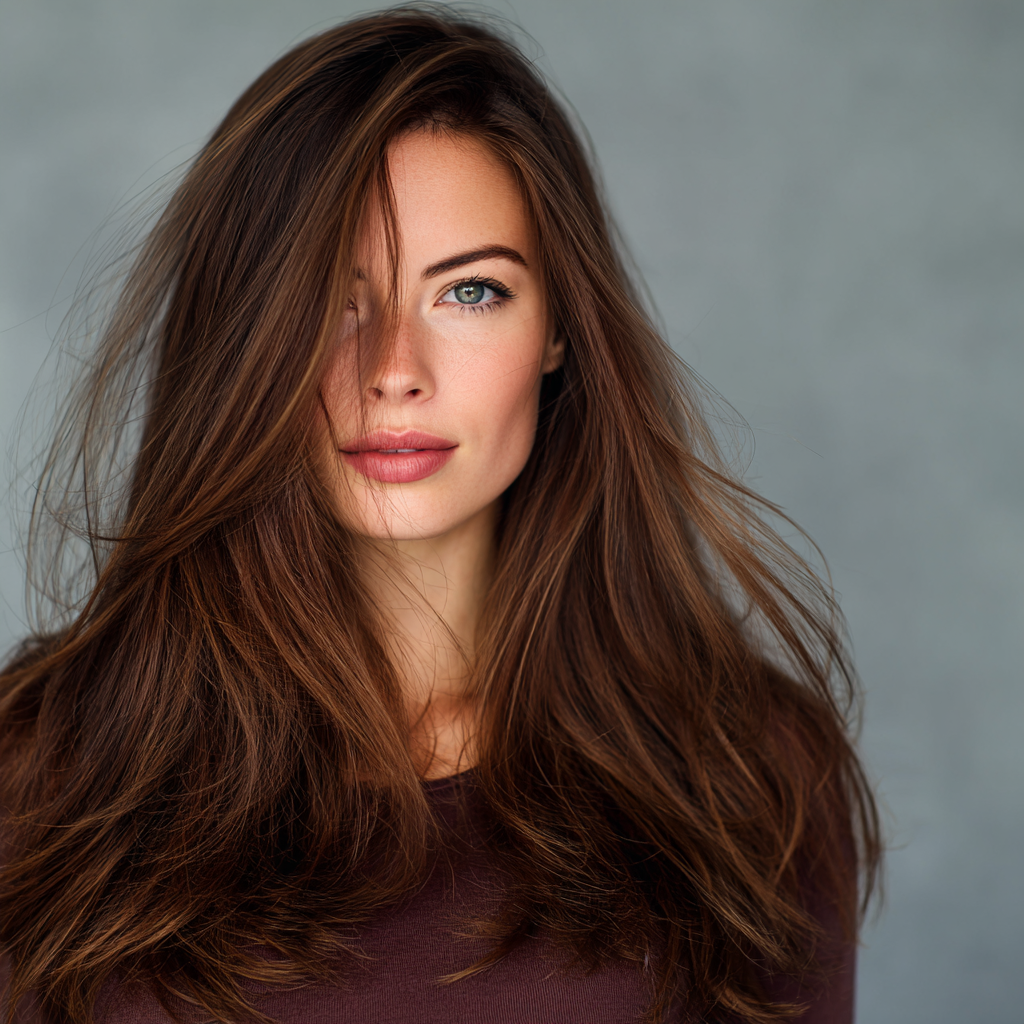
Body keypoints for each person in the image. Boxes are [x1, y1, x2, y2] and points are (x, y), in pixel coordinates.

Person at [0, 7, 880, 1023]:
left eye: (468, 292)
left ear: (557, 330)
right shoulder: (41, 775)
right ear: (243, 332)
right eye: (330, 298)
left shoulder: (749, 772)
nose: (392, 372)